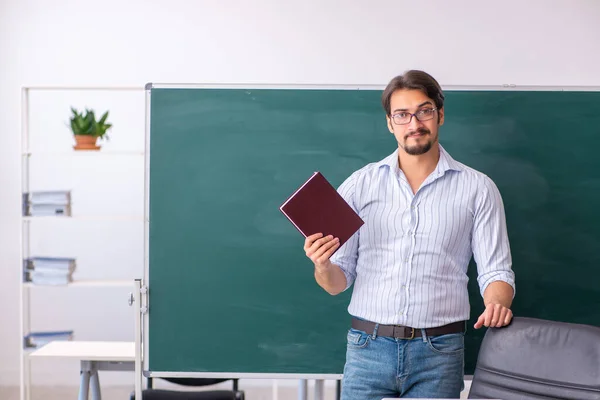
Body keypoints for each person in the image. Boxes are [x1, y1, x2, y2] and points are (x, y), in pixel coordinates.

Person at [303, 70, 516, 399]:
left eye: (424, 110)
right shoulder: (360, 186)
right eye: (402, 115)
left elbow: (496, 272)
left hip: (439, 352)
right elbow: (337, 281)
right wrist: (322, 265)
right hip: (367, 348)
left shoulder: (478, 189)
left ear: (440, 114)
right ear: (390, 123)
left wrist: (497, 303)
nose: (414, 123)